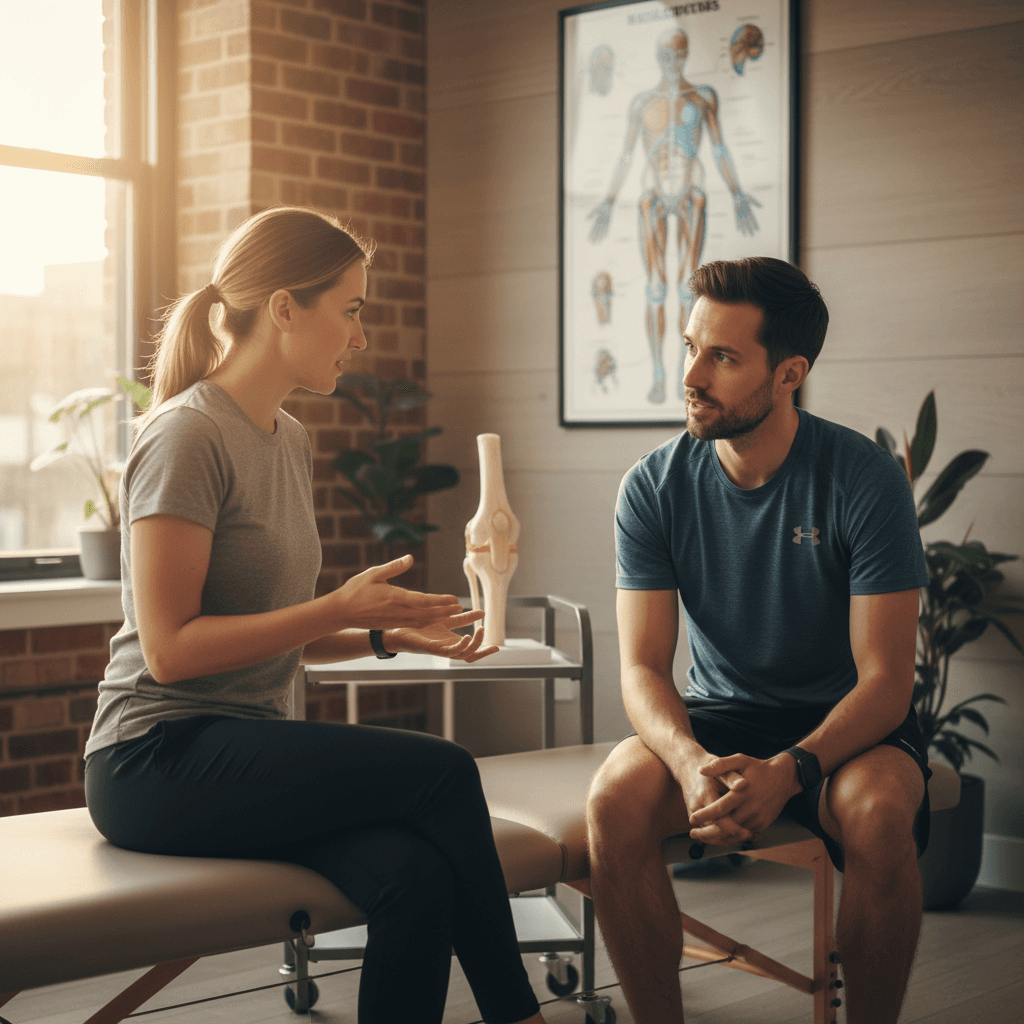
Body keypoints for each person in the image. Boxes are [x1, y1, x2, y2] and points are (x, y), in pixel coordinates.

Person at [83, 207, 547, 1024]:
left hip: (241, 753)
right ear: (285, 308)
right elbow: (170, 653)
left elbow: (272, 625)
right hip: (152, 759)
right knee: (442, 770)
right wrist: (337, 605)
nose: (361, 337)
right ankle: (522, 1014)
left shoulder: (287, 437)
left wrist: (381, 634)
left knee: (416, 876)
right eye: (353, 309)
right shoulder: (187, 435)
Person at [586, 256, 930, 1024]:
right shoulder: (653, 486)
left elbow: (885, 680)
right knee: (614, 799)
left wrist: (791, 770)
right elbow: (642, 666)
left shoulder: (863, 479)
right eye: (689, 347)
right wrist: (688, 760)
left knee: (876, 813)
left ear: (789, 373)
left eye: (724, 356)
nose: (692, 374)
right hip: (720, 717)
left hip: (846, 723)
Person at [588, 29, 760, 405]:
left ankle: (686, 379)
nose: (672, 63)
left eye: (678, 55)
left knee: (689, 290)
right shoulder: (642, 103)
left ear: (685, 56)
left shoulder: (702, 98)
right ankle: (659, 374)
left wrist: (738, 194)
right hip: (651, 194)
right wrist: (607, 200)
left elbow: (719, 150)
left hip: (691, 193)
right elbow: (625, 156)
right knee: (655, 287)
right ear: (657, 56)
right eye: (666, 55)